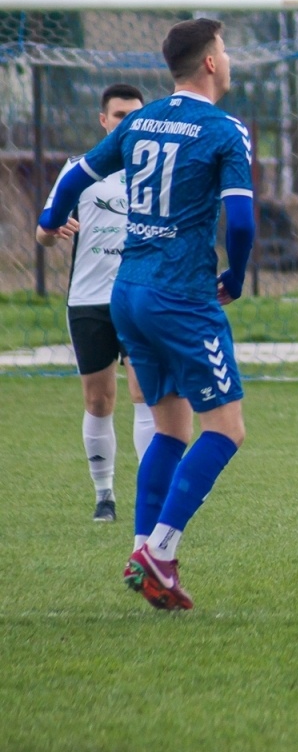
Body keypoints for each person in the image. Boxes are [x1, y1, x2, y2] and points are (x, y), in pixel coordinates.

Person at [39, 18, 255, 611]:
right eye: (225, 49)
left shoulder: (140, 121)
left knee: (169, 428)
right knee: (226, 430)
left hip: (126, 292)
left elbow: (80, 172)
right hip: (182, 297)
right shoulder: (224, 129)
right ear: (210, 62)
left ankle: (142, 551)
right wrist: (232, 279)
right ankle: (158, 551)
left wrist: (52, 214)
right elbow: (240, 221)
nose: (229, 58)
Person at [36, 85, 155, 522]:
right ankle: (104, 496)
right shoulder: (78, 172)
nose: (127, 122)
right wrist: (53, 230)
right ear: (103, 121)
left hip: (141, 297)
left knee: (145, 394)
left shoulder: (155, 173)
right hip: (89, 302)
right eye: (119, 115)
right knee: (99, 400)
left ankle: (151, 496)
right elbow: (43, 234)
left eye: (135, 115)